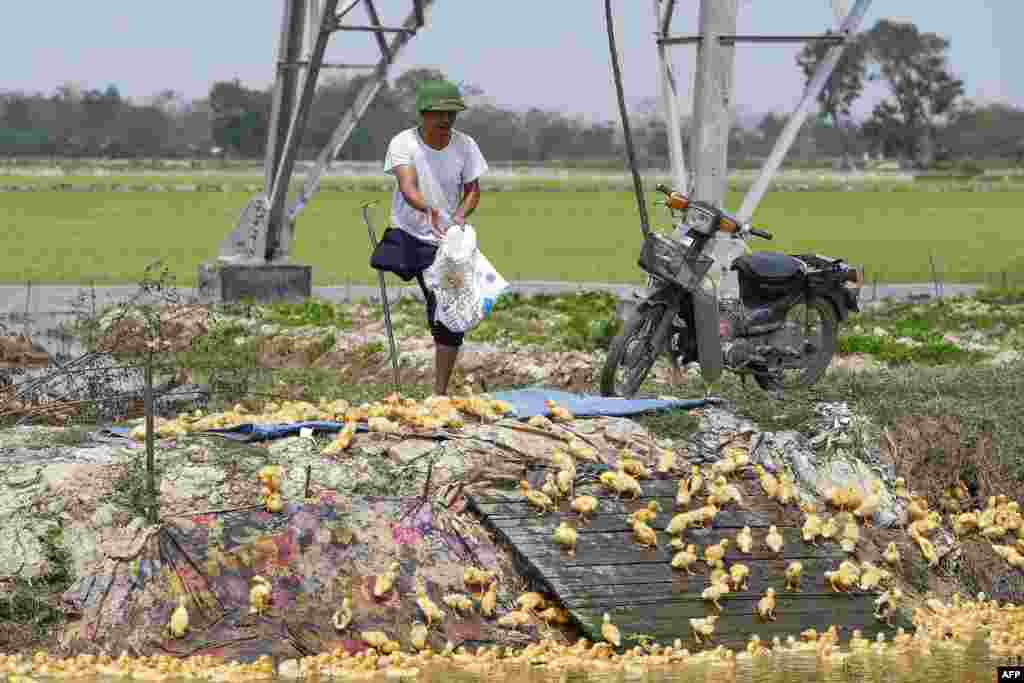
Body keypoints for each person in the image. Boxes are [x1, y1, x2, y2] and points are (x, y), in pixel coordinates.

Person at [378, 79, 489, 396]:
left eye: (451, 115)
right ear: (423, 115)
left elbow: (472, 190)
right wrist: (429, 210)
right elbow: (408, 186)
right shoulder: (404, 143)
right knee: (437, 301)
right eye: (438, 114)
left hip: (446, 240)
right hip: (409, 233)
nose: (445, 121)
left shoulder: (466, 145)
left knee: (449, 314)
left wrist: (459, 215)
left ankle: (438, 393)